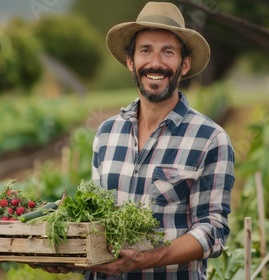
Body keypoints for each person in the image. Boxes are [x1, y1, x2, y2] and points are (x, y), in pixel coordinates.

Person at [33, 2, 235, 279]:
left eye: (168, 52)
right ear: (131, 62)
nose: (156, 63)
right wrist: (66, 255)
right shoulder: (107, 132)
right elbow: (95, 219)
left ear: (184, 64)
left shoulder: (210, 139)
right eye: (145, 51)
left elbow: (213, 230)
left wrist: (146, 259)